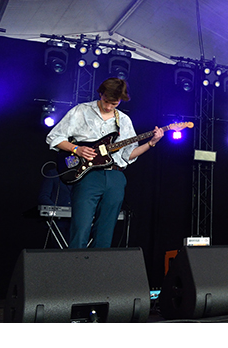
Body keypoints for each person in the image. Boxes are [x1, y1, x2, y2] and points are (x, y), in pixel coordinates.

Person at [46, 78, 163, 248]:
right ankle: (73, 269)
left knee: (106, 230)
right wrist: (76, 149)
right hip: (88, 175)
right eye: (106, 101)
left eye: (114, 104)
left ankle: (97, 271)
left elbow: (128, 155)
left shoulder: (123, 120)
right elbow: (53, 137)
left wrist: (151, 143)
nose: (109, 107)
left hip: (115, 175)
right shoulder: (81, 111)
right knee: (81, 226)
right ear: (100, 94)